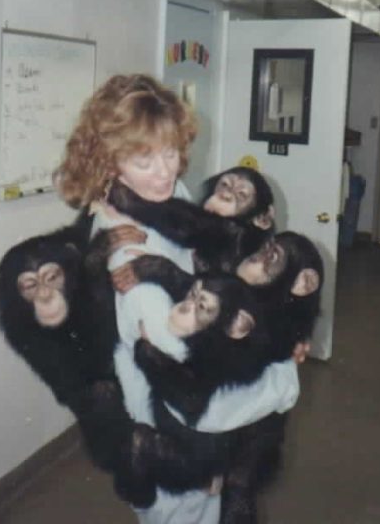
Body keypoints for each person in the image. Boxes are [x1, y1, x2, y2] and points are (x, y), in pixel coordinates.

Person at [55, 74, 302, 523]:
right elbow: (195, 398)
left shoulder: (168, 196)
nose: (166, 171)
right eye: (144, 160)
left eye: (170, 152)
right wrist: (283, 380)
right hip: (176, 449)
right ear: (109, 162)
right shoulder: (129, 261)